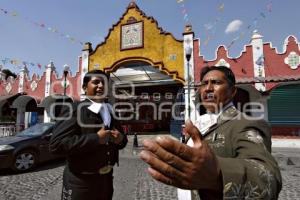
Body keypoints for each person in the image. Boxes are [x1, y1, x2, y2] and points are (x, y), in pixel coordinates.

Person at [140, 66, 282, 199]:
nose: (208, 88)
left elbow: (268, 179)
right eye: (204, 83)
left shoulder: (245, 123)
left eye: (216, 82)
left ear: (232, 92)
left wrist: (218, 174)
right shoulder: (198, 123)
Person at [50, 70, 128, 200]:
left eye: (104, 83)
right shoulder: (74, 109)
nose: (101, 86)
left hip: (106, 181)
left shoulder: (110, 111)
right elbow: (56, 145)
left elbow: (122, 140)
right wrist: (96, 139)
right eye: (96, 82)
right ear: (85, 88)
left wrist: (120, 139)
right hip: (80, 183)